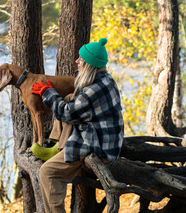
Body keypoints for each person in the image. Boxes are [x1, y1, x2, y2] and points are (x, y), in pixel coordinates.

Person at [31, 38, 124, 213]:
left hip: (98, 145)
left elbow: (67, 113)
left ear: (89, 65)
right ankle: (57, 146)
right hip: (105, 137)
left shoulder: (92, 90)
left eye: (80, 59)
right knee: (68, 99)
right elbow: (72, 107)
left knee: (47, 172)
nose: (76, 61)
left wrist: (48, 93)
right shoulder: (105, 79)